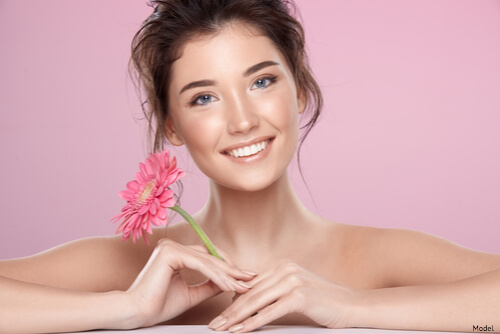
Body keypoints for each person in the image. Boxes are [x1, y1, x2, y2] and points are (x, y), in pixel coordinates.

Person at [1, 0, 499, 333]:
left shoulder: (380, 257)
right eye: (204, 97)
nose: (241, 120)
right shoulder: (129, 266)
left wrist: (351, 306)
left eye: (261, 82)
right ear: (171, 126)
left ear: (299, 89)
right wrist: (125, 307)